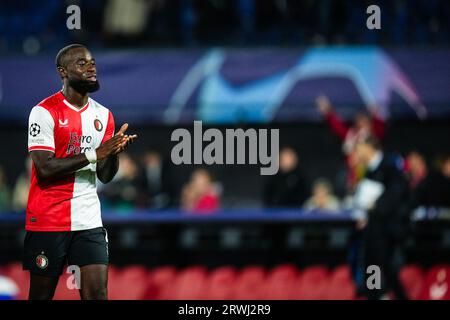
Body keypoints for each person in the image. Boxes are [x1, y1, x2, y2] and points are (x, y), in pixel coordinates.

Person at [24, 44, 137, 300]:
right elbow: (44, 168)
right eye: (82, 63)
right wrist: (95, 153)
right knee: (41, 296)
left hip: (88, 220)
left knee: (97, 294)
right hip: (49, 219)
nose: (91, 67)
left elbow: (105, 176)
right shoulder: (44, 112)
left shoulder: (104, 115)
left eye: (92, 62)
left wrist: (113, 151)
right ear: (62, 72)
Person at [353, 136, 408, 300]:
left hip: (388, 227)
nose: (357, 152)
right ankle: (375, 294)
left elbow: (397, 193)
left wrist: (377, 205)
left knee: (385, 264)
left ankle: (398, 296)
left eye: (359, 147)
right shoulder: (369, 170)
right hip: (373, 227)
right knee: (371, 263)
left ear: (370, 148)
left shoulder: (389, 166)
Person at [316, 95, 386, 192]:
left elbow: (381, 126)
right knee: (343, 184)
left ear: (370, 122)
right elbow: (338, 126)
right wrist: (328, 111)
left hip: (370, 170)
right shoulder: (352, 134)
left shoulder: (374, 133)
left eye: (364, 120)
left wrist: (375, 114)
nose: (361, 123)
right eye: (359, 120)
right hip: (352, 171)